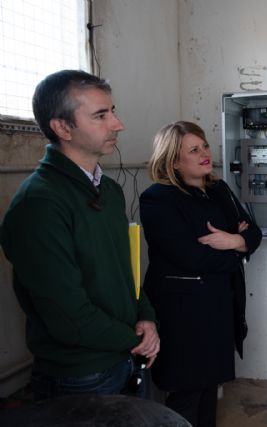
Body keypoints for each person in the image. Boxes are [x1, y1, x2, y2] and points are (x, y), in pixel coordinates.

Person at [0, 70, 160, 400]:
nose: (118, 124)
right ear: (62, 128)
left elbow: (126, 272)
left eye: (112, 111)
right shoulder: (39, 204)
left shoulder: (109, 190)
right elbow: (68, 318)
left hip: (125, 354)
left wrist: (146, 317)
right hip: (82, 374)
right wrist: (136, 340)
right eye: (101, 115)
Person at [139, 121, 262, 427]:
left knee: (210, 387)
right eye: (193, 150)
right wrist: (239, 249)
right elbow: (191, 257)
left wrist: (232, 240)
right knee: (186, 393)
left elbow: (254, 232)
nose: (205, 154)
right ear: (173, 161)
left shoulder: (218, 190)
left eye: (204, 146)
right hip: (184, 313)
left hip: (219, 305)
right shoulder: (158, 199)